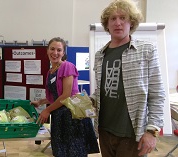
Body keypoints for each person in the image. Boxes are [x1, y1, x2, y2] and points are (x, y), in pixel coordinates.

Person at [90, 0, 166, 157]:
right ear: (107, 24)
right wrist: (87, 101)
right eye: (113, 18)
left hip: (132, 134)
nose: (118, 23)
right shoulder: (100, 55)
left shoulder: (146, 50)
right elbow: (103, 90)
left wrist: (152, 131)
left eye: (123, 17)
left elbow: (157, 94)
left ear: (131, 22)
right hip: (104, 130)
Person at [31, 37, 99, 157]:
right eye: (52, 49)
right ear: (47, 50)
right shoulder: (51, 71)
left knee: (73, 152)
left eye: (59, 50)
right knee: (60, 151)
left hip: (71, 116)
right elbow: (56, 95)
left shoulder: (67, 67)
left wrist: (47, 110)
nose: (55, 53)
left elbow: (66, 95)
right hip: (59, 116)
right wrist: (41, 102)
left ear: (63, 53)